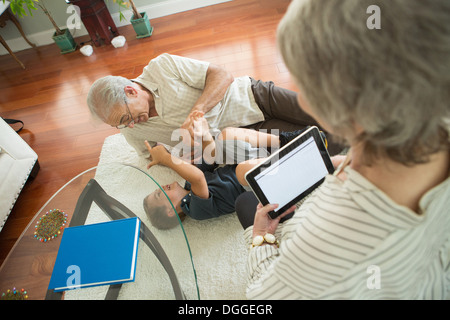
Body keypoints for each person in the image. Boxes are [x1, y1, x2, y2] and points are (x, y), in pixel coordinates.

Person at [238, 0, 450, 299]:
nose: (300, 100)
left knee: (248, 205)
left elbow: (262, 298)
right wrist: (346, 163)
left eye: (304, 87)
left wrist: (262, 237)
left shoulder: (326, 237)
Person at [87, 53, 342, 158]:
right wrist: (178, 154)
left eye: (125, 118)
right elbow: (151, 155)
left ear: (131, 91)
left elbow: (222, 75)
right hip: (244, 140)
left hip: (253, 98)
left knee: (329, 117)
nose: (129, 126)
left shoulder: (161, 66)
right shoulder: (131, 130)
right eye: (119, 126)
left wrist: (196, 113)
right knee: (317, 146)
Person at [142, 111, 306, 229]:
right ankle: (295, 160)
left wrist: (204, 134)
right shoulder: (194, 210)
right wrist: (166, 158)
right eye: (159, 194)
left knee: (225, 136)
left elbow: (210, 157)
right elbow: (198, 177)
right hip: (256, 188)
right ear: (171, 211)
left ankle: (284, 140)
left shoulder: (188, 185)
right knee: (242, 171)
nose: (162, 187)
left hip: (254, 165)